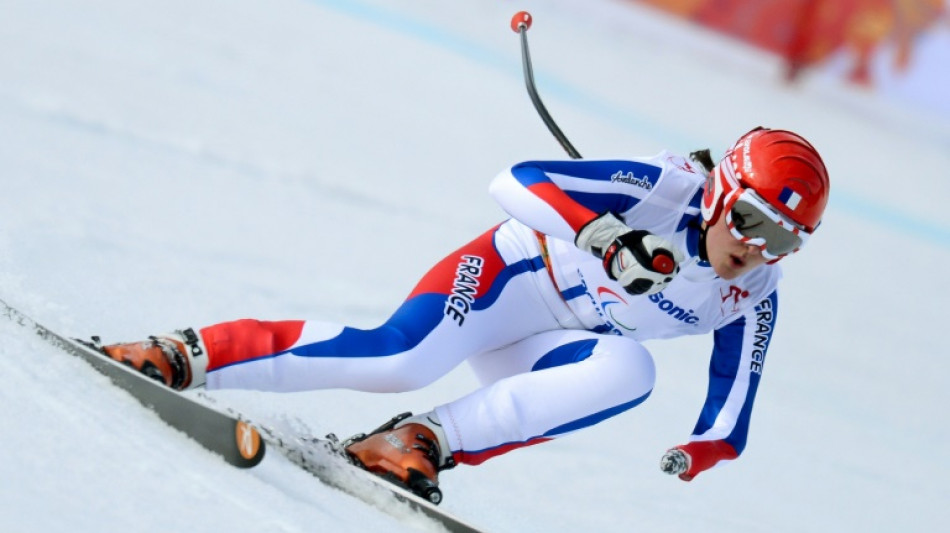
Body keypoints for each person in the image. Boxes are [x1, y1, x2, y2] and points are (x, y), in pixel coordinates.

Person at [101, 127, 829, 498]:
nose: (760, 248)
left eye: (787, 240)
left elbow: (732, 413)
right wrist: (605, 233)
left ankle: (412, 441)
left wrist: (699, 450)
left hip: (553, 339)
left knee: (630, 370)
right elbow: (514, 180)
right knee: (399, 359)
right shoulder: (665, 189)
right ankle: (187, 352)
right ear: (722, 190)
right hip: (509, 276)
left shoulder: (753, 291)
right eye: (754, 221)